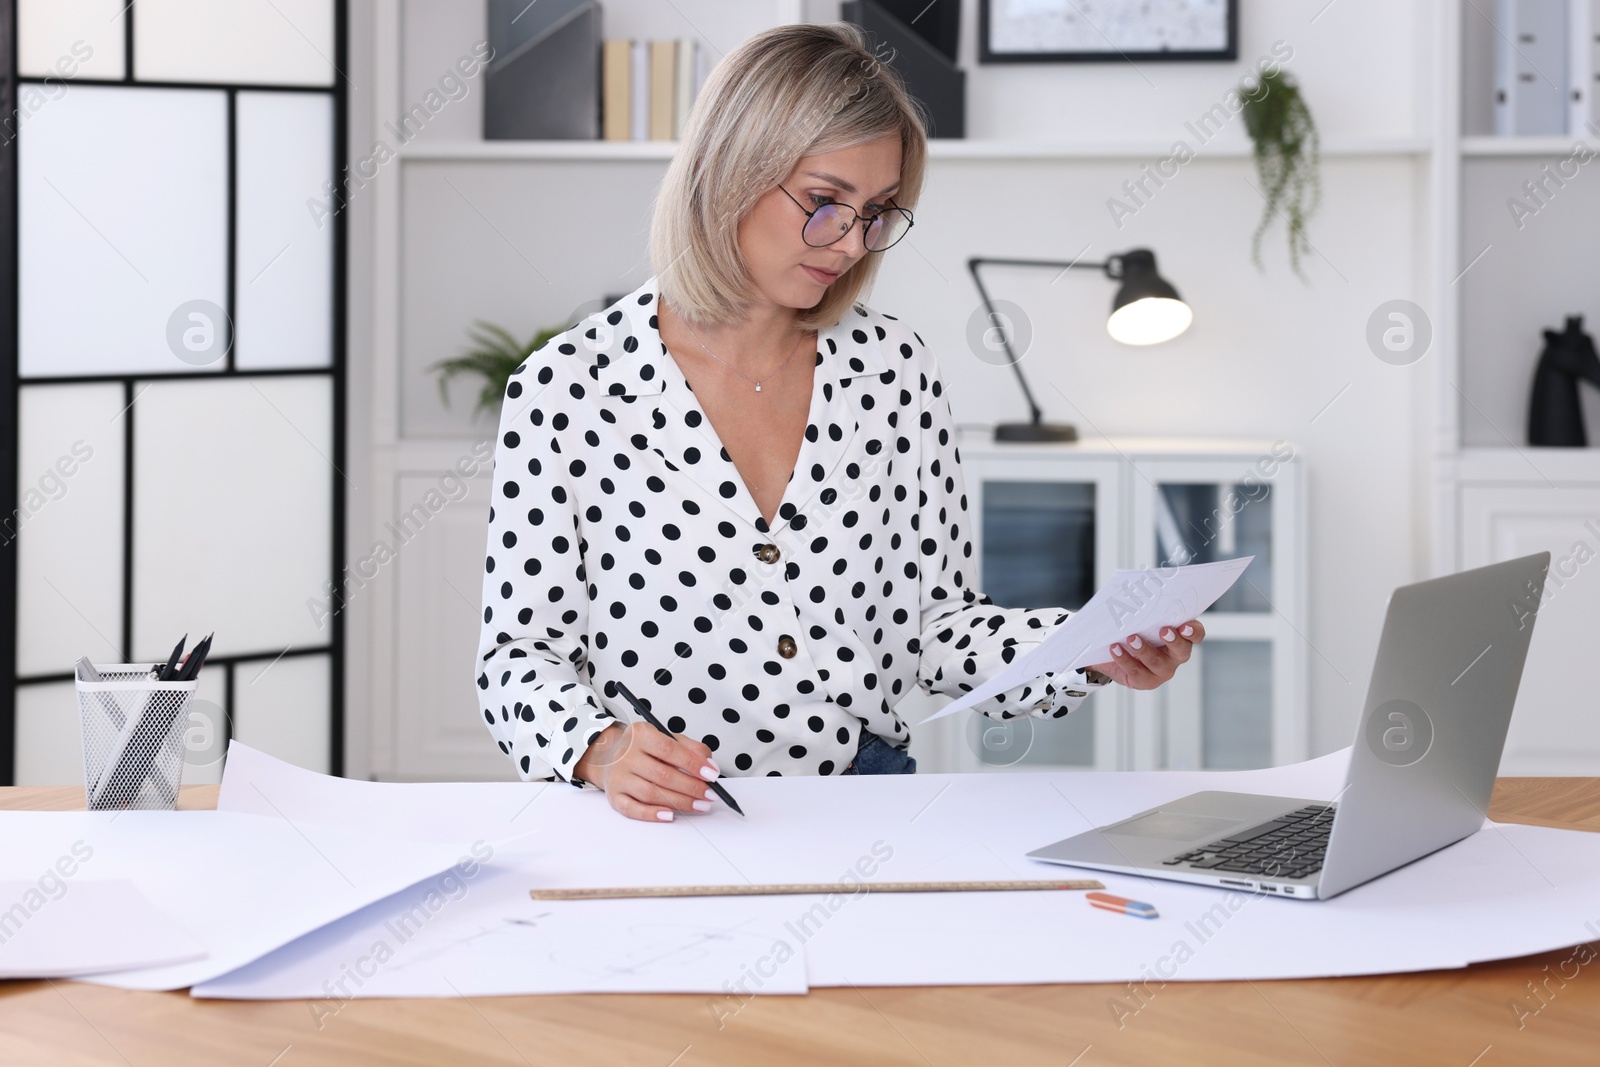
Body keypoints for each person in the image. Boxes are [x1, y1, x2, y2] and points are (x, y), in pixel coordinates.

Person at [476, 22, 1205, 822]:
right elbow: (518, 660)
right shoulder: (569, 387)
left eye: (878, 212)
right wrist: (601, 748)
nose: (852, 243)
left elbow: (938, 625)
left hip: (865, 806)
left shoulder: (894, 371)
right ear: (728, 170)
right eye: (824, 203)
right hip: (665, 818)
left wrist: (1086, 653)